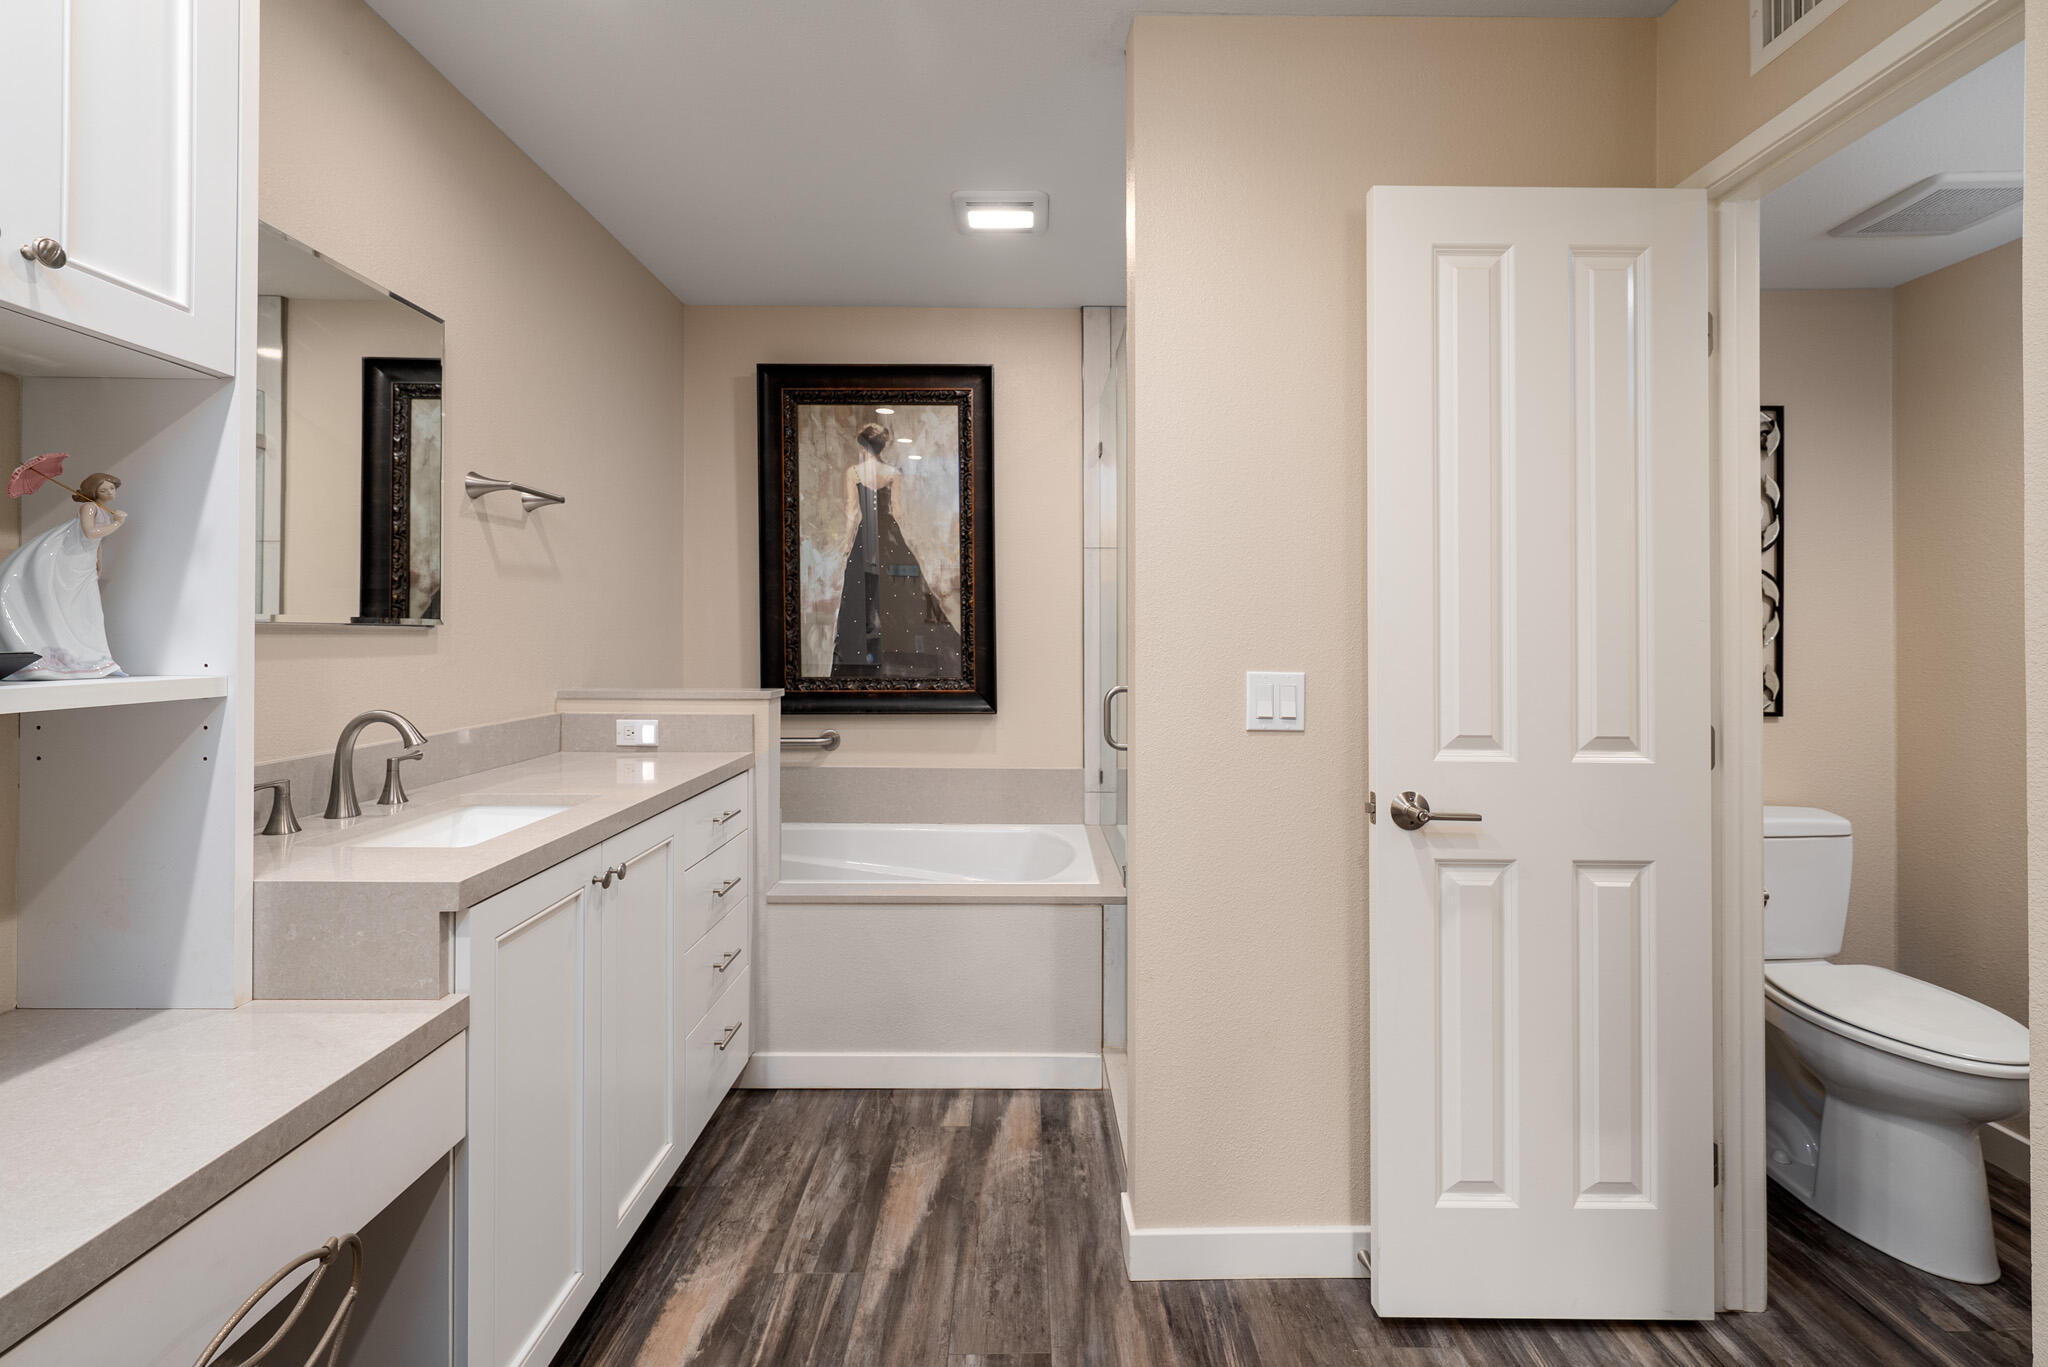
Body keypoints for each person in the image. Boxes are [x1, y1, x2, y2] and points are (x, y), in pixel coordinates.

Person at [829, 422, 961, 678]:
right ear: (881, 446)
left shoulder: (854, 473)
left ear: (862, 445)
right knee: (899, 593)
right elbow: (898, 513)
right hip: (889, 536)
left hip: (865, 538)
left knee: (861, 593)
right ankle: (897, 652)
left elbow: (852, 512)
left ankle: (861, 657)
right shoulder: (892, 472)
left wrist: (847, 542)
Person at [0, 471, 128, 679]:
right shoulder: (89, 507)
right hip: (71, 564)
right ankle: (63, 659)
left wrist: (97, 562)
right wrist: (117, 523)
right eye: (103, 489)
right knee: (69, 607)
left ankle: (99, 661)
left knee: (91, 612)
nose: (109, 493)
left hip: (84, 565)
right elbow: (90, 533)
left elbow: (97, 543)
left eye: (112, 488)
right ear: (93, 492)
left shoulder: (103, 510)